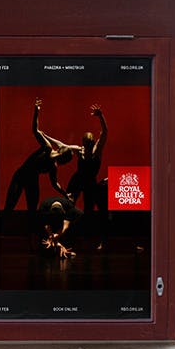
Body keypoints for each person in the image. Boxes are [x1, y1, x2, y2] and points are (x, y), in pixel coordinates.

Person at [3, 98, 76, 211]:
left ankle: (27, 227)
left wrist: (65, 194)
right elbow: (35, 130)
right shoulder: (47, 149)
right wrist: (36, 112)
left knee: (31, 209)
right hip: (21, 176)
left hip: (31, 180)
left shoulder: (52, 166)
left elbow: (55, 183)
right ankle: (2, 226)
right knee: (10, 206)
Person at [66, 104, 108, 250]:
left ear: (92, 143)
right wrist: (43, 135)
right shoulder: (81, 151)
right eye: (86, 143)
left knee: (89, 209)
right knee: (69, 203)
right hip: (78, 180)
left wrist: (100, 116)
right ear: (83, 143)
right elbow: (63, 145)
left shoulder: (97, 151)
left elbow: (104, 133)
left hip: (90, 183)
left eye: (90, 143)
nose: (88, 146)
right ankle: (66, 234)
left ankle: (88, 236)